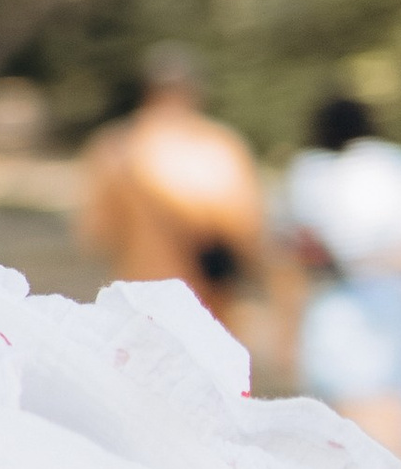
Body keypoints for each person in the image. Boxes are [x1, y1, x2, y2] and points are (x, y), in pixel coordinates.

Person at [281, 89, 401, 469]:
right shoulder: (396, 166)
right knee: (391, 425)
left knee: (346, 426)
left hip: (339, 313)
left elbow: (298, 246)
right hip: (391, 310)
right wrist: (400, 259)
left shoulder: (309, 172)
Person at [74, 45, 267, 342]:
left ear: (146, 90)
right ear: (195, 90)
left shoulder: (115, 147)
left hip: (141, 298)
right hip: (211, 305)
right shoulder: (221, 146)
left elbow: (95, 233)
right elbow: (248, 229)